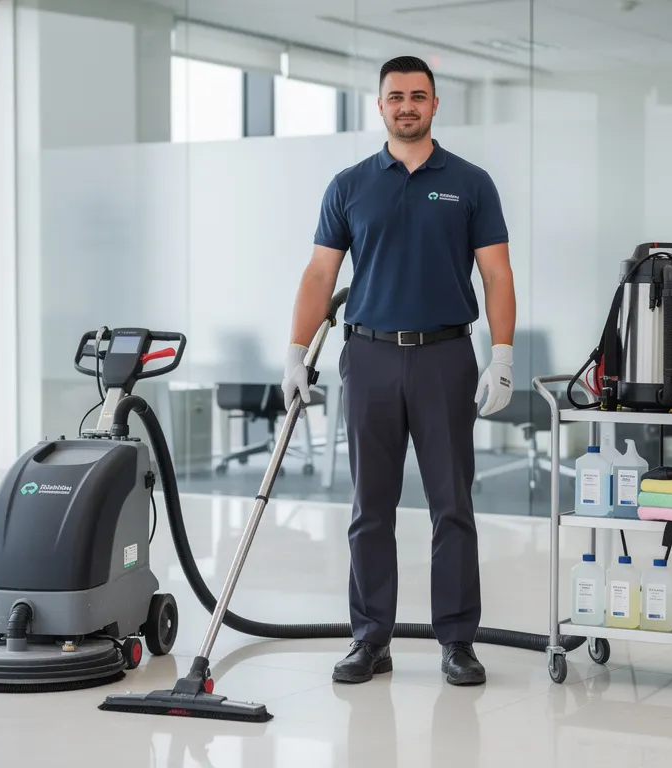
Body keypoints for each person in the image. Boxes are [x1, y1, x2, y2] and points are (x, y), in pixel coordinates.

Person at [282, 55, 516, 686]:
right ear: (380, 105)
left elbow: (496, 274)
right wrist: (297, 353)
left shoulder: (470, 183)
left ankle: (458, 641)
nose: (407, 105)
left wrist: (501, 355)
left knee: (452, 506)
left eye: (418, 95)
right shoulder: (350, 184)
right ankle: (369, 640)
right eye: (395, 96)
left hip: (445, 356)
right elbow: (319, 275)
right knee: (370, 507)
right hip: (370, 357)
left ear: (435, 104)